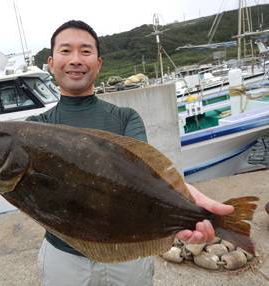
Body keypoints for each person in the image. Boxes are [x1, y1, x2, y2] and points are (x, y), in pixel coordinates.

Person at [27, 20, 234, 286]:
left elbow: (143, 175)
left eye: (86, 51)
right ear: (51, 63)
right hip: (62, 256)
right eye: (65, 51)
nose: (75, 59)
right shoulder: (34, 129)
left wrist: (183, 195)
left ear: (99, 64)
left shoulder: (125, 118)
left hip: (127, 254)